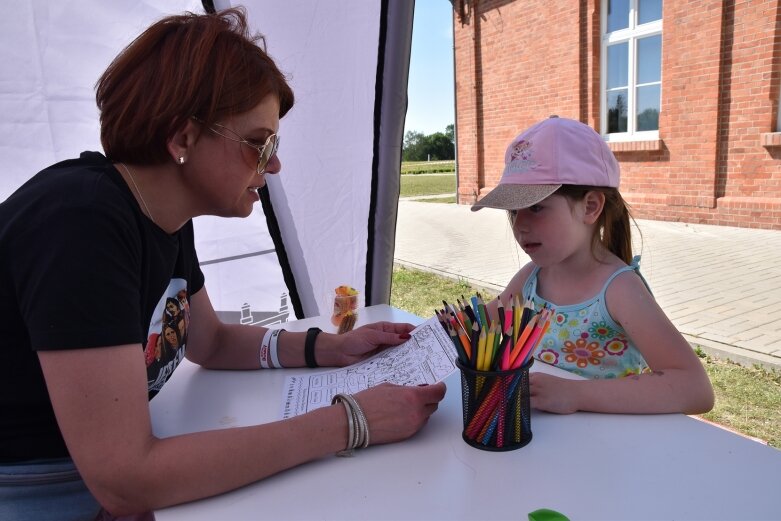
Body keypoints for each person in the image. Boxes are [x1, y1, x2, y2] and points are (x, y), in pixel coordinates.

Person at [0, 8, 446, 520]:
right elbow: (126, 480)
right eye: (259, 143)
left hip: (82, 473)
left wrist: (330, 346)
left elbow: (208, 340)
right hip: (31, 484)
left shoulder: (160, 215)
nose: (274, 164)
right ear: (183, 138)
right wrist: (349, 422)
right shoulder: (80, 222)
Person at [472, 116, 714, 416]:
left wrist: (575, 394)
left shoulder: (618, 289)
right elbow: (476, 327)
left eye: (536, 207)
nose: (520, 225)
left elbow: (694, 388)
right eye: (514, 210)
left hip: (608, 449)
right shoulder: (531, 280)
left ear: (590, 206)